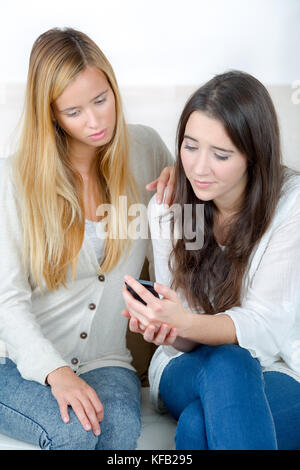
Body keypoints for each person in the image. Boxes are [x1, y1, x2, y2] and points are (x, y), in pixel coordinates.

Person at [0, 27, 175, 450]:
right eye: (74, 111)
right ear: (51, 115)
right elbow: (7, 300)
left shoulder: (145, 148)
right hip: (16, 363)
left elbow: (186, 243)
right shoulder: (12, 178)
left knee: (113, 437)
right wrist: (55, 373)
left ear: (113, 89)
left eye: (101, 100)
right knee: (73, 434)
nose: (95, 121)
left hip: (107, 361)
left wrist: (185, 183)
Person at [122, 70, 300, 450]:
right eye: (190, 146)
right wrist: (171, 328)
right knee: (229, 363)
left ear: (254, 156)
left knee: (197, 430)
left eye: (220, 155)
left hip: (278, 367)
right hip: (185, 368)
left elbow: (265, 331)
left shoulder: (291, 206)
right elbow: (181, 335)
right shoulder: (168, 209)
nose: (199, 168)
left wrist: (184, 321)